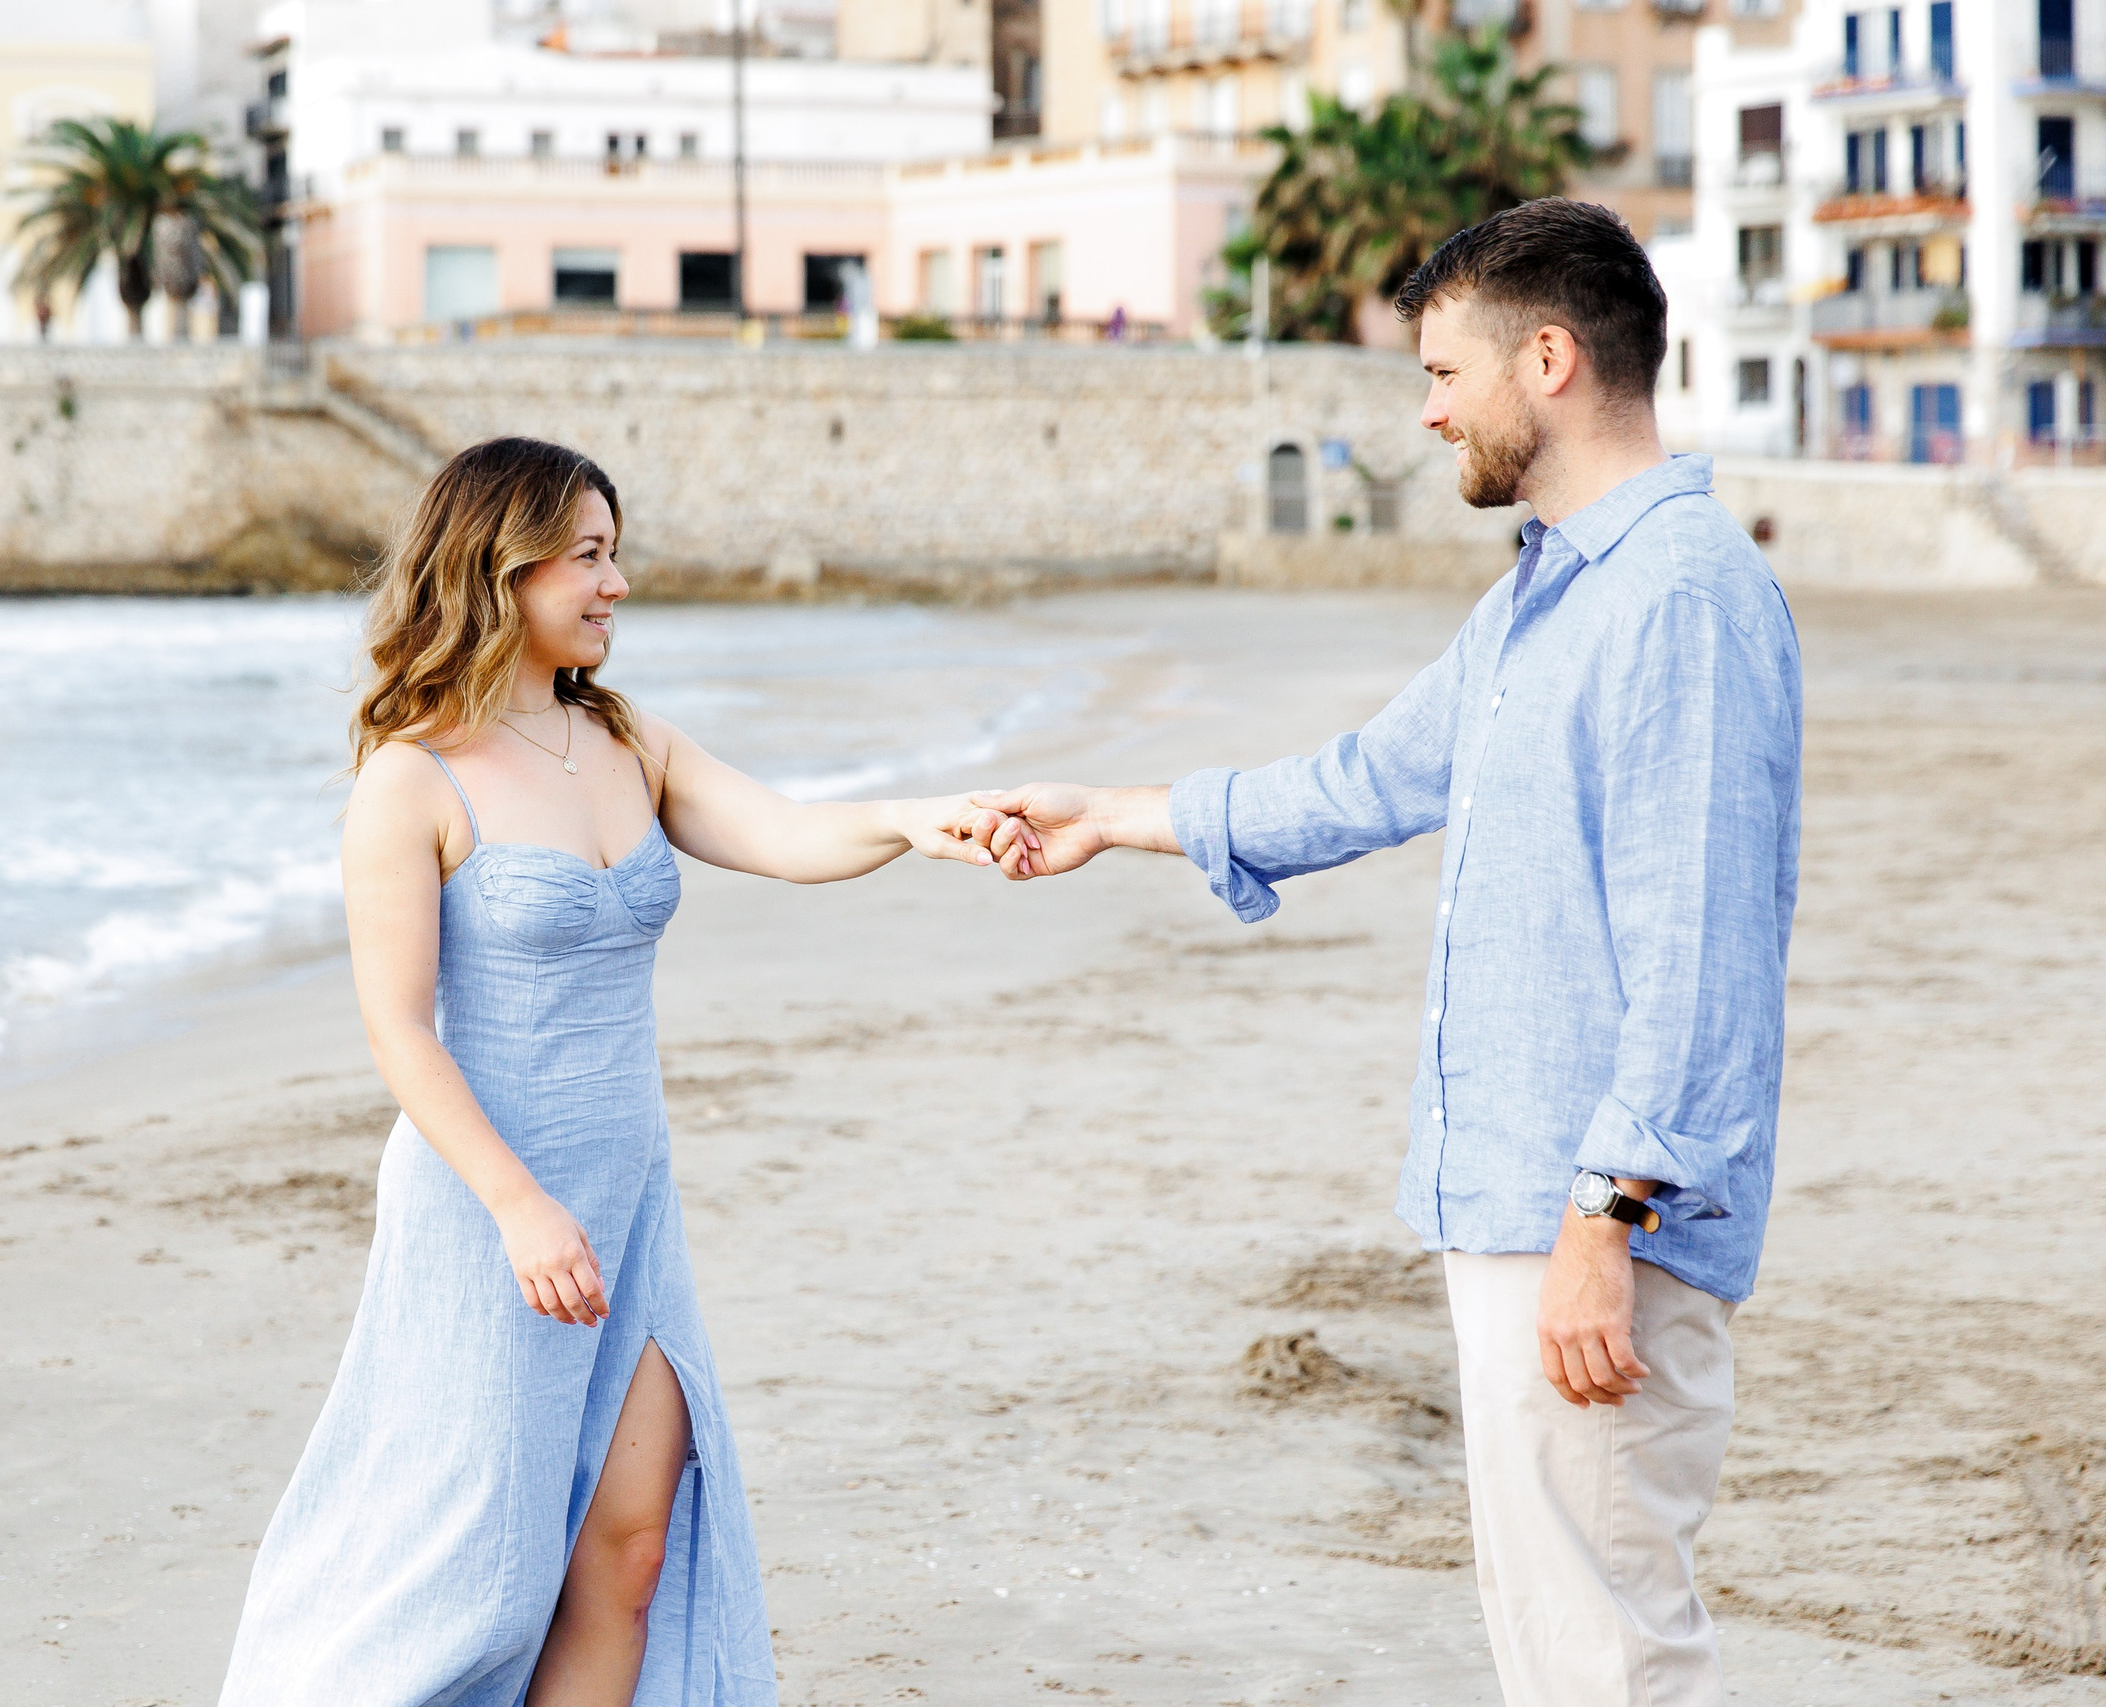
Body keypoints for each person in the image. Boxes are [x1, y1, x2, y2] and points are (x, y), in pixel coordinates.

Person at [969, 199, 1802, 1707]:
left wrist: (1605, 1219)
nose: (1424, 411)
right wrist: (1112, 812)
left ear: (1545, 359)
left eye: (1442, 372)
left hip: (1596, 1218)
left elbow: (1702, 962)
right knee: (1559, 1642)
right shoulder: (1543, 596)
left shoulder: (1677, 600)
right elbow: (1362, 779)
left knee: (1611, 1653)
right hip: (1515, 1201)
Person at [217, 437, 1000, 1706]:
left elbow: (787, 834)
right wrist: (520, 1209)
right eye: (586, 556)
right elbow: (398, 1030)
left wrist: (919, 822)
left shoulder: (625, 737)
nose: (615, 583)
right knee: (469, 1576)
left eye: (613, 552)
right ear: (498, 565)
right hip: (488, 1213)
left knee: (630, 1548)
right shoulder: (409, 777)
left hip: (629, 1203)